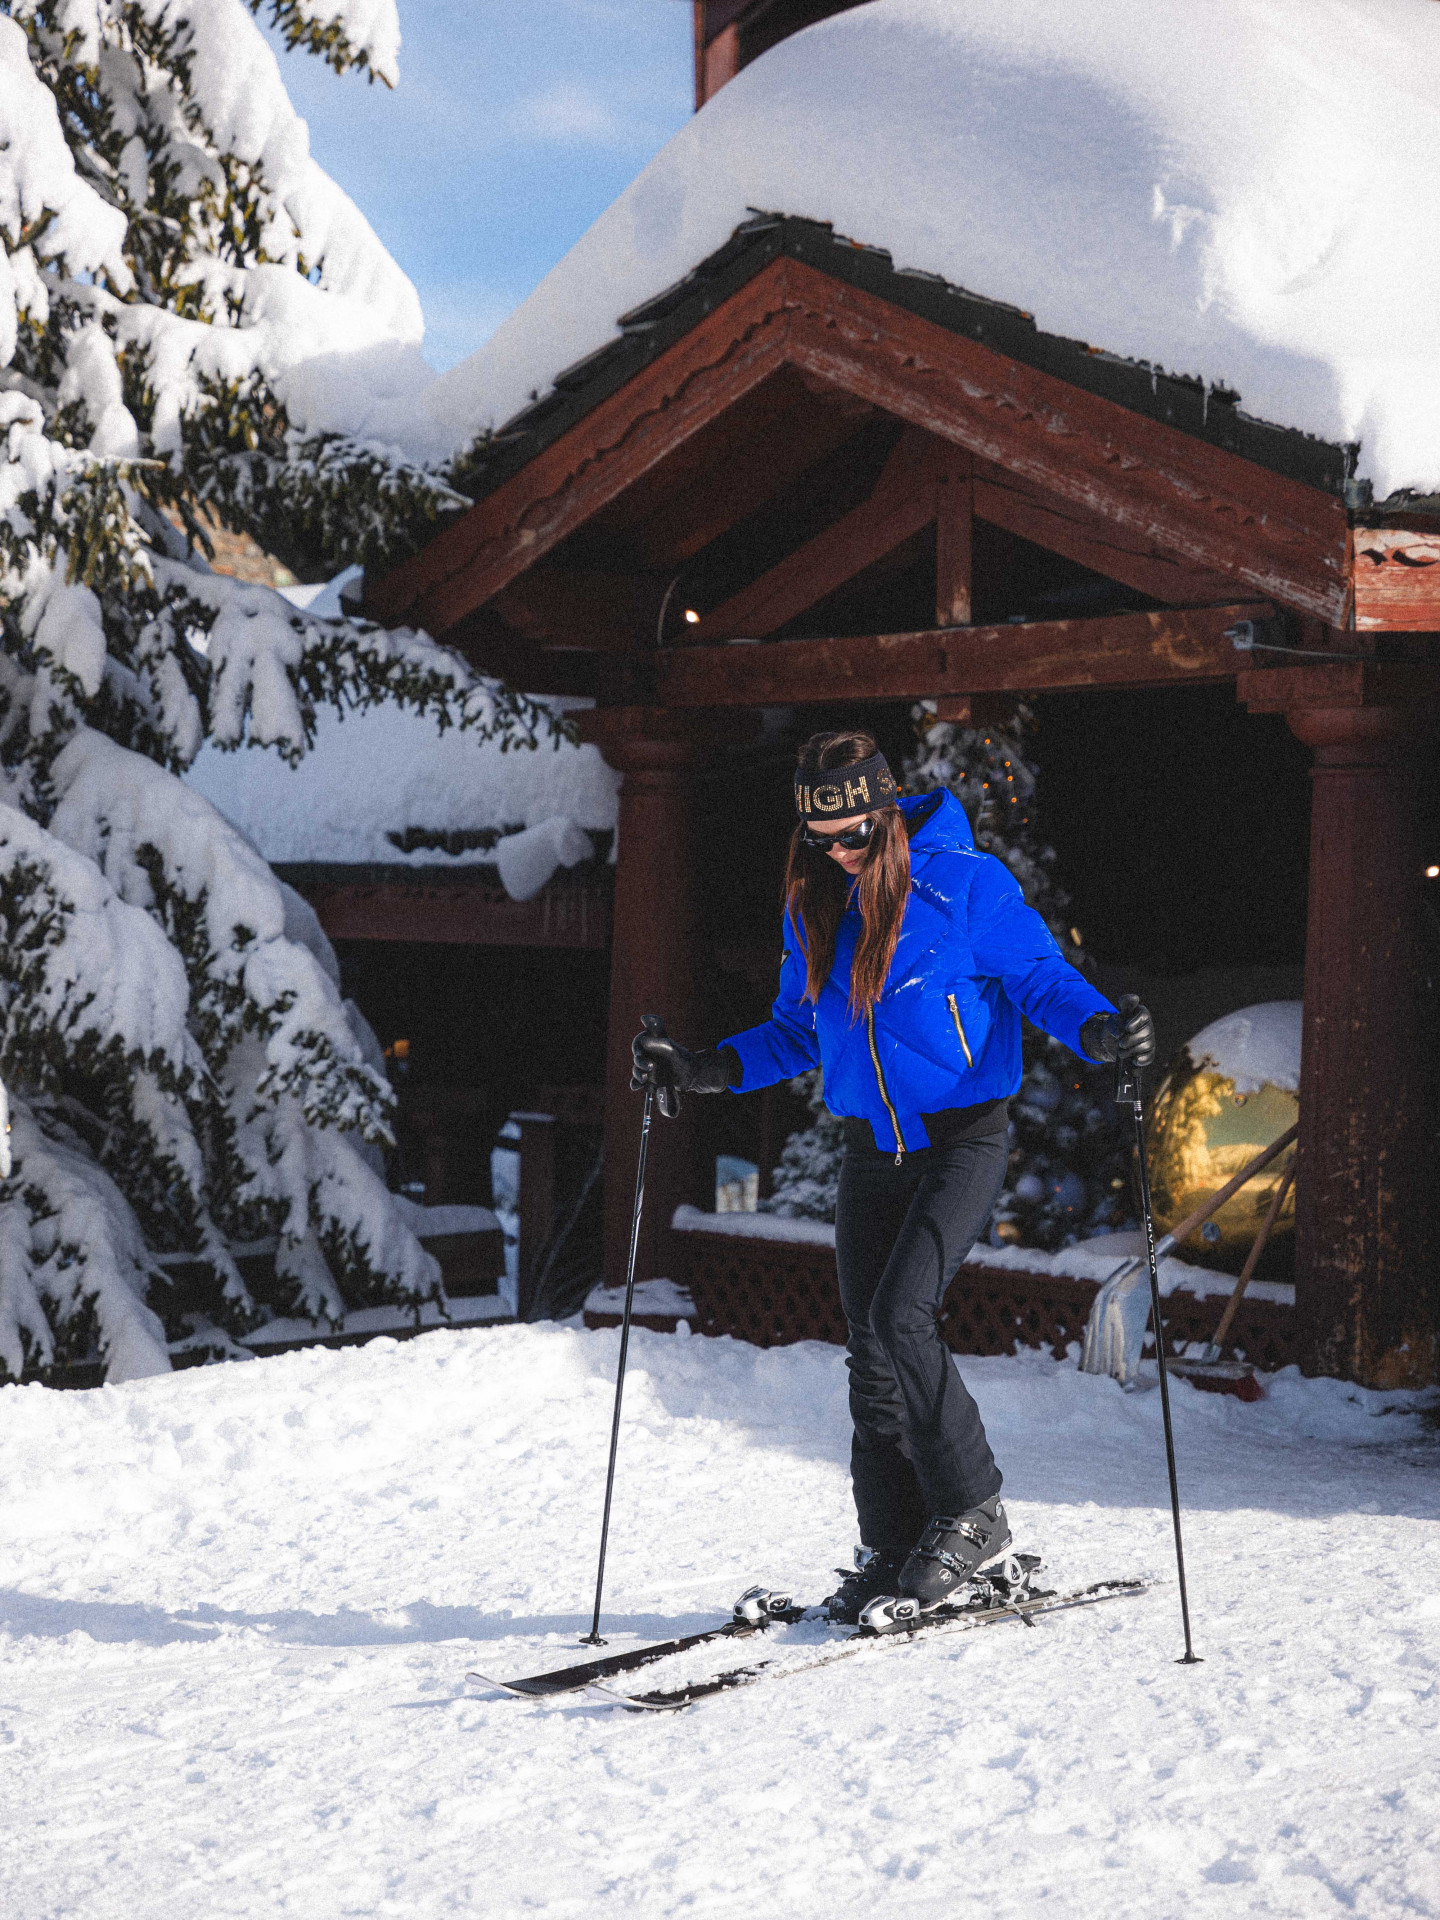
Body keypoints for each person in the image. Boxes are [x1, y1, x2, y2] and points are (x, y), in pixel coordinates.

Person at [632, 727, 1153, 1623]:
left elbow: (1040, 978)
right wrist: (704, 1067)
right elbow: (797, 1029)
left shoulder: (966, 884)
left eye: (856, 835)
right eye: (821, 839)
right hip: (875, 1146)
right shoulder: (818, 907)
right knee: (869, 1350)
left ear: (886, 813)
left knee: (900, 1316)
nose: (840, 852)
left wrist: (1104, 1032)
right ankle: (892, 1541)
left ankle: (974, 1514)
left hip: (962, 1138)